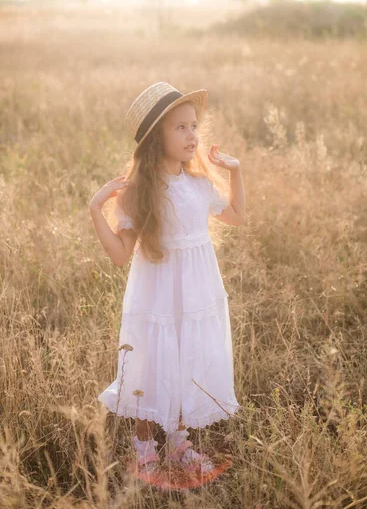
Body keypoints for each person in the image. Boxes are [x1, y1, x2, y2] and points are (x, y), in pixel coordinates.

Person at [89, 82, 246, 476]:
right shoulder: (140, 192)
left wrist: (236, 171)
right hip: (157, 291)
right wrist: (96, 208)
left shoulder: (198, 184)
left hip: (197, 290)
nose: (192, 135)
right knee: (153, 355)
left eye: (193, 125)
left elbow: (236, 216)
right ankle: (144, 438)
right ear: (155, 139)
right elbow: (119, 255)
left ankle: (178, 438)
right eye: (179, 127)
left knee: (185, 355)